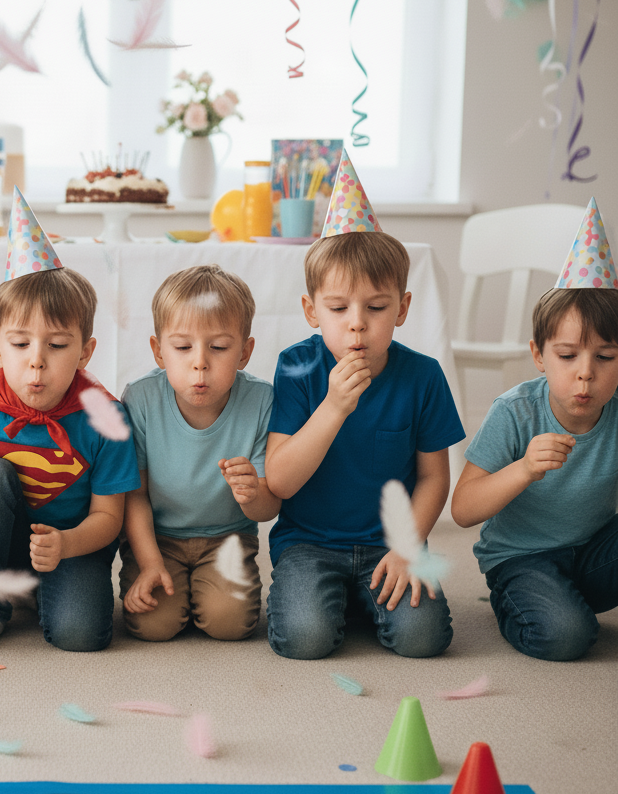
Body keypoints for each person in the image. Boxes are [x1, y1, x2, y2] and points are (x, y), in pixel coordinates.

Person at [265, 153, 464, 659]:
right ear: (312, 311)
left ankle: (363, 595)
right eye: (338, 309)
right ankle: (342, 598)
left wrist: (405, 547)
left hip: (388, 541)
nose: (357, 323)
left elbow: (434, 478)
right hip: (309, 544)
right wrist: (333, 407)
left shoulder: (422, 376)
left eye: (376, 308)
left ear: (402, 308)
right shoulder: (295, 368)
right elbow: (280, 482)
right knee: (304, 639)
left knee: (424, 640)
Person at [0, 190, 139, 653]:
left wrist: (65, 545)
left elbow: (108, 517)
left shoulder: (105, 417)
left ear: (86, 351)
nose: (36, 363)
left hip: (73, 543)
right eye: (20, 344)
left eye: (57, 346)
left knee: (80, 635)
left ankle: (42, 591)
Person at [451, 199, 618, 660]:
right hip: (523, 558)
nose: (585, 373)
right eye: (567, 356)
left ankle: (567, 598)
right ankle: (520, 602)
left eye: (604, 358)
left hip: (593, 555)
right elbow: (463, 509)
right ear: (539, 355)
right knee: (567, 637)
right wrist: (523, 469)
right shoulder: (516, 412)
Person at [120, 264, 279, 641]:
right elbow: (134, 496)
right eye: (182, 347)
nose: (200, 361)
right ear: (159, 351)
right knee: (151, 627)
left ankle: (207, 592)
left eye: (219, 347)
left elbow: (269, 508)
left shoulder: (261, 400)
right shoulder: (140, 399)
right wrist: (149, 564)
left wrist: (253, 494)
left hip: (228, 537)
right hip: (157, 538)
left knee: (230, 624)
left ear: (244, 351)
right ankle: (176, 585)